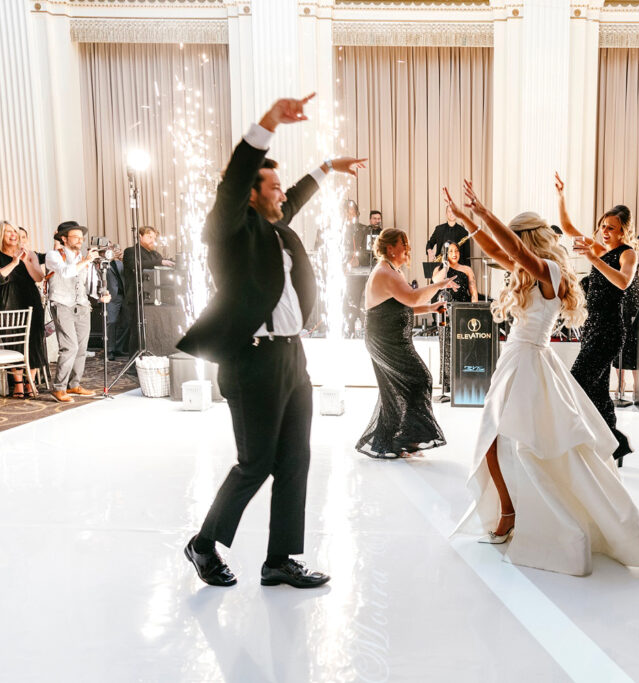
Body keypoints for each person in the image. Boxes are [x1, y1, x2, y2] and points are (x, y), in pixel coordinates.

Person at [178, 93, 366, 589]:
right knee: (255, 463)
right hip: (252, 360)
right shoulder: (230, 230)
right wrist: (268, 124)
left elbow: (296, 196)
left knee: (295, 459)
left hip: (291, 358)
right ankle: (203, 544)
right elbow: (237, 175)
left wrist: (326, 167)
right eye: (273, 187)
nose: (283, 194)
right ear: (249, 194)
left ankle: (279, 559)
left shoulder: (276, 230)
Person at [449, 181, 639, 576]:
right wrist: (466, 219)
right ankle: (509, 510)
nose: (512, 246)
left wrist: (482, 210)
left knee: (527, 445)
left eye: (518, 238)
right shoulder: (529, 269)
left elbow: (510, 250)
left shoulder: (547, 269)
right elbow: (500, 251)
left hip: (529, 361)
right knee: (494, 440)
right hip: (517, 358)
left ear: (528, 239)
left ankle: (521, 515)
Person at [555, 173, 638, 462]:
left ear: (622, 231)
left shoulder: (627, 254)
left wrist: (593, 258)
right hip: (593, 328)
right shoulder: (601, 249)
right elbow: (567, 227)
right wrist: (562, 196)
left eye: (611, 228)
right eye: (603, 226)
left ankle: (592, 443)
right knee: (599, 391)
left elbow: (623, 283)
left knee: (577, 382)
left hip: (610, 331)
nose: (604, 232)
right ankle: (616, 445)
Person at [356, 228, 454, 457]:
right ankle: (408, 439)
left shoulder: (391, 270)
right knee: (420, 379)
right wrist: (439, 284)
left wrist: (430, 307)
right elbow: (411, 298)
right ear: (390, 248)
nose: (408, 249)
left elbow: (403, 306)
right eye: (404, 244)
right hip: (385, 340)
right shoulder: (384, 273)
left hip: (393, 338)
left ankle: (398, 442)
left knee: (395, 391)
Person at [45, 221, 106, 403]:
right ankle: (59, 388)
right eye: (76, 237)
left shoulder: (82, 257)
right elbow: (65, 272)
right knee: (69, 346)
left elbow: (90, 281)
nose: (80, 240)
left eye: (82, 237)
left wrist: (101, 294)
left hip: (82, 305)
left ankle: (74, 384)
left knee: (81, 348)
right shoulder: (53, 255)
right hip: (62, 304)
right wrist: (86, 261)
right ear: (64, 238)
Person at [0, 221, 46, 397]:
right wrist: (14, 261)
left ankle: (30, 382)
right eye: (8, 232)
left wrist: (27, 261)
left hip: (30, 301)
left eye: (14, 232)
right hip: (7, 303)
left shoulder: (30, 253)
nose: (13, 235)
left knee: (34, 341)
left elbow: (39, 277)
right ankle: (18, 384)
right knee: (16, 341)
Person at [431, 240, 478, 400]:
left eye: (456, 251)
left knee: (463, 345)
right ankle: (447, 383)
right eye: (450, 251)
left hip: (463, 311)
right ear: (446, 254)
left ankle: (462, 380)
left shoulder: (466, 269)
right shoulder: (439, 269)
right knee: (446, 346)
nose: (454, 254)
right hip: (444, 311)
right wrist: (445, 266)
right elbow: (436, 283)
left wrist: (475, 309)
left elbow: (473, 291)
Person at [117, 226, 174, 356]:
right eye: (149, 237)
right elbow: (135, 265)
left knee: (153, 331)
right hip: (136, 298)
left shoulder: (156, 254)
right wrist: (160, 262)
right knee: (137, 333)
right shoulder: (131, 252)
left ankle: (151, 359)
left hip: (154, 299)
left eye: (154, 238)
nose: (152, 240)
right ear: (140, 236)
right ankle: (134, 364)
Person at [612, 262, 639, 404]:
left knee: (635, 351)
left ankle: (636, 386)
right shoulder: (614, 266)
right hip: (618, 312)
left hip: (635, 313)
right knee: (619, 350)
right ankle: (620, 384)